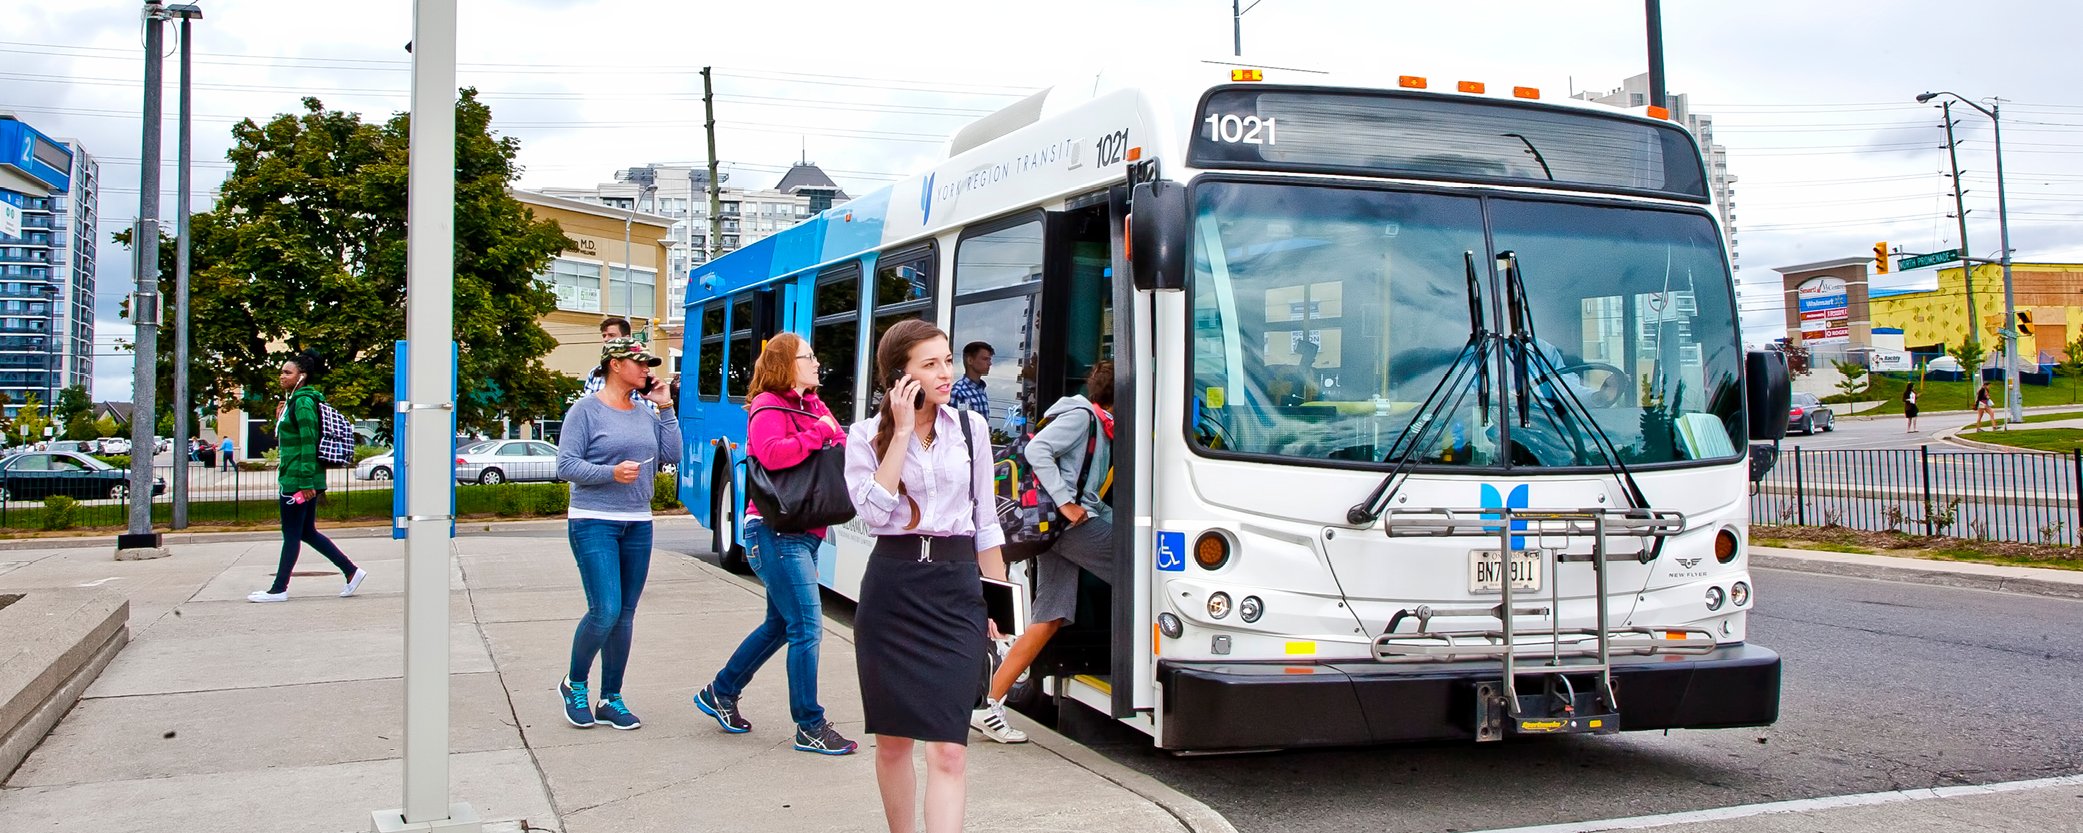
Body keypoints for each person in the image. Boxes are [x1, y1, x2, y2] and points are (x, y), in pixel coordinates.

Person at [844, 319, 1008, 833]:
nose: (946, 373)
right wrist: (898, 432)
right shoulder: (864, 435)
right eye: (930, 363)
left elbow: (986, 521)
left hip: (956, 586)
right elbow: (873, 512)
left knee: (949, 750)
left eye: (947, 360)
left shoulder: (971, 427)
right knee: (893, 742)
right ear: (901, 376)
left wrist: (997, 606)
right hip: (892, 589)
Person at [693, 332, 858, 755]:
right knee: (806, 626)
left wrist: (824, 433)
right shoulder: (768, 405)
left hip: (805, 530)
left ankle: (721, 690)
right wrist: (814, 436)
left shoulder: (814, 405)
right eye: (808, 356)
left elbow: (838, 446)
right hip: (775, 532)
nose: (817, 362)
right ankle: (810, 724)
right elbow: (770, 454)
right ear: (787, 364)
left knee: (780, 625)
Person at [976, 360, 1117, 744]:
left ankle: (988, 704)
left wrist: (1097, 510)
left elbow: (1088, 490)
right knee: (1141, 572)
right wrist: (1068, 503)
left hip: (1055, 530)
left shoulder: (1100, 425)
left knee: (1049, 618)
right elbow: (1039, 451)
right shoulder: (1082, 418)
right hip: (1064, 525)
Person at [555, 337, 681, 730]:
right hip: (593, 519)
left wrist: (666, 406)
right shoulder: (585, 412)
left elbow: (672, 455)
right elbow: (565, 466)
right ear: (614, 364)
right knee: (605, 609)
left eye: (648, 364)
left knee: (625, 615)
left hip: (638, 522)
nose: (647, 370)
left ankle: (611, 697)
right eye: (639, 363)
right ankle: (574, 684)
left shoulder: (645, 412)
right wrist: (610, 472)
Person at [247, 351, 368, 603]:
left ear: (301, 376)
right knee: (306, 532)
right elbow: (291, 439)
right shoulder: (295, 401)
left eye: (287, 372)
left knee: (292, 534)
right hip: (298, 477)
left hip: (298, 480)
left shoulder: (303, 402)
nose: (281, 376)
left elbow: (308, 442)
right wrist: (280, 418)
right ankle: (351, 571)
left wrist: (305, 482)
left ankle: (279, 588)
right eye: (281, 371)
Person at [950, 341, 993, 415]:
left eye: (989, 359)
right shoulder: (959, 392)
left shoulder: (981, 390)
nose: (989, 363)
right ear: (970, 360)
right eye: (985, 359)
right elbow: (954, 424)